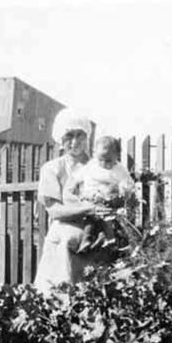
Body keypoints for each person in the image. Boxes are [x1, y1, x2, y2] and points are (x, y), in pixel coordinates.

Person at [32, 111, 116, 294]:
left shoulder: (98, 166)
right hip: (64, 240)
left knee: (94, 295)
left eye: (80, 135)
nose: (75, 141)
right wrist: (90, 208)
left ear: (87, 137)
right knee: (58, 294)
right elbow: (54, 210)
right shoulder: (52, 168)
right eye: (68, 136)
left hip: (95, 239)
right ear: (60, 139)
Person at [65, 136, 136, 253]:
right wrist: (73, 191)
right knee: (90, 218)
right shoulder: (91, 167)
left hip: (109, 202)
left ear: (117, 156)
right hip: (90, 201)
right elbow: (75, 179)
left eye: (108, 161)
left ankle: (109, 240)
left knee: (109, 219)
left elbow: (128, 184)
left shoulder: (119, 170)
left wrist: (121, 190)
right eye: (100, 159)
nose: (103, 164)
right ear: (94, 155)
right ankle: (87, 240)